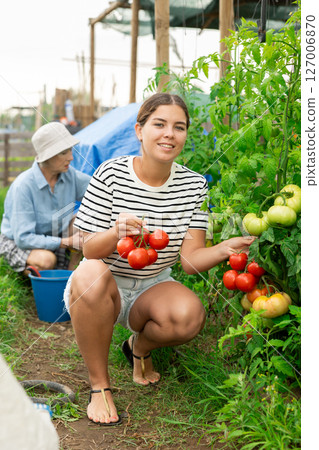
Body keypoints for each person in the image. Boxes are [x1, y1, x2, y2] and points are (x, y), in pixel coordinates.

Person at [63, 93, 255, 426]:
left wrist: (225, 248)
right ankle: (100, 387)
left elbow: (189, 261)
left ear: (185, 136)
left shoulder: (194, 185)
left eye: (179, 127)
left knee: (188, 316)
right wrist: (115, 231)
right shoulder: (109, 174)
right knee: (89, 274)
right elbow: (90, 250)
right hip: (102, 286)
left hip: (152, 286)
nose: (169, 134)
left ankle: (138, 347)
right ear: (139, 130)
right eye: (159, 124)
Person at [0, 122, 91, 274]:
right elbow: (23, 238)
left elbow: (99, 189)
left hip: (54, 234)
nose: (71, 157)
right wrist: (65, 242)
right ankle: (43, 282)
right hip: (18, 241)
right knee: (46, 260)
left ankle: (71, 279)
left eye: (70, 150)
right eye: (63, 153)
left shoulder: (71, 175)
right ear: (47, 157)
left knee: (84, 222)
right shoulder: (23, 186)